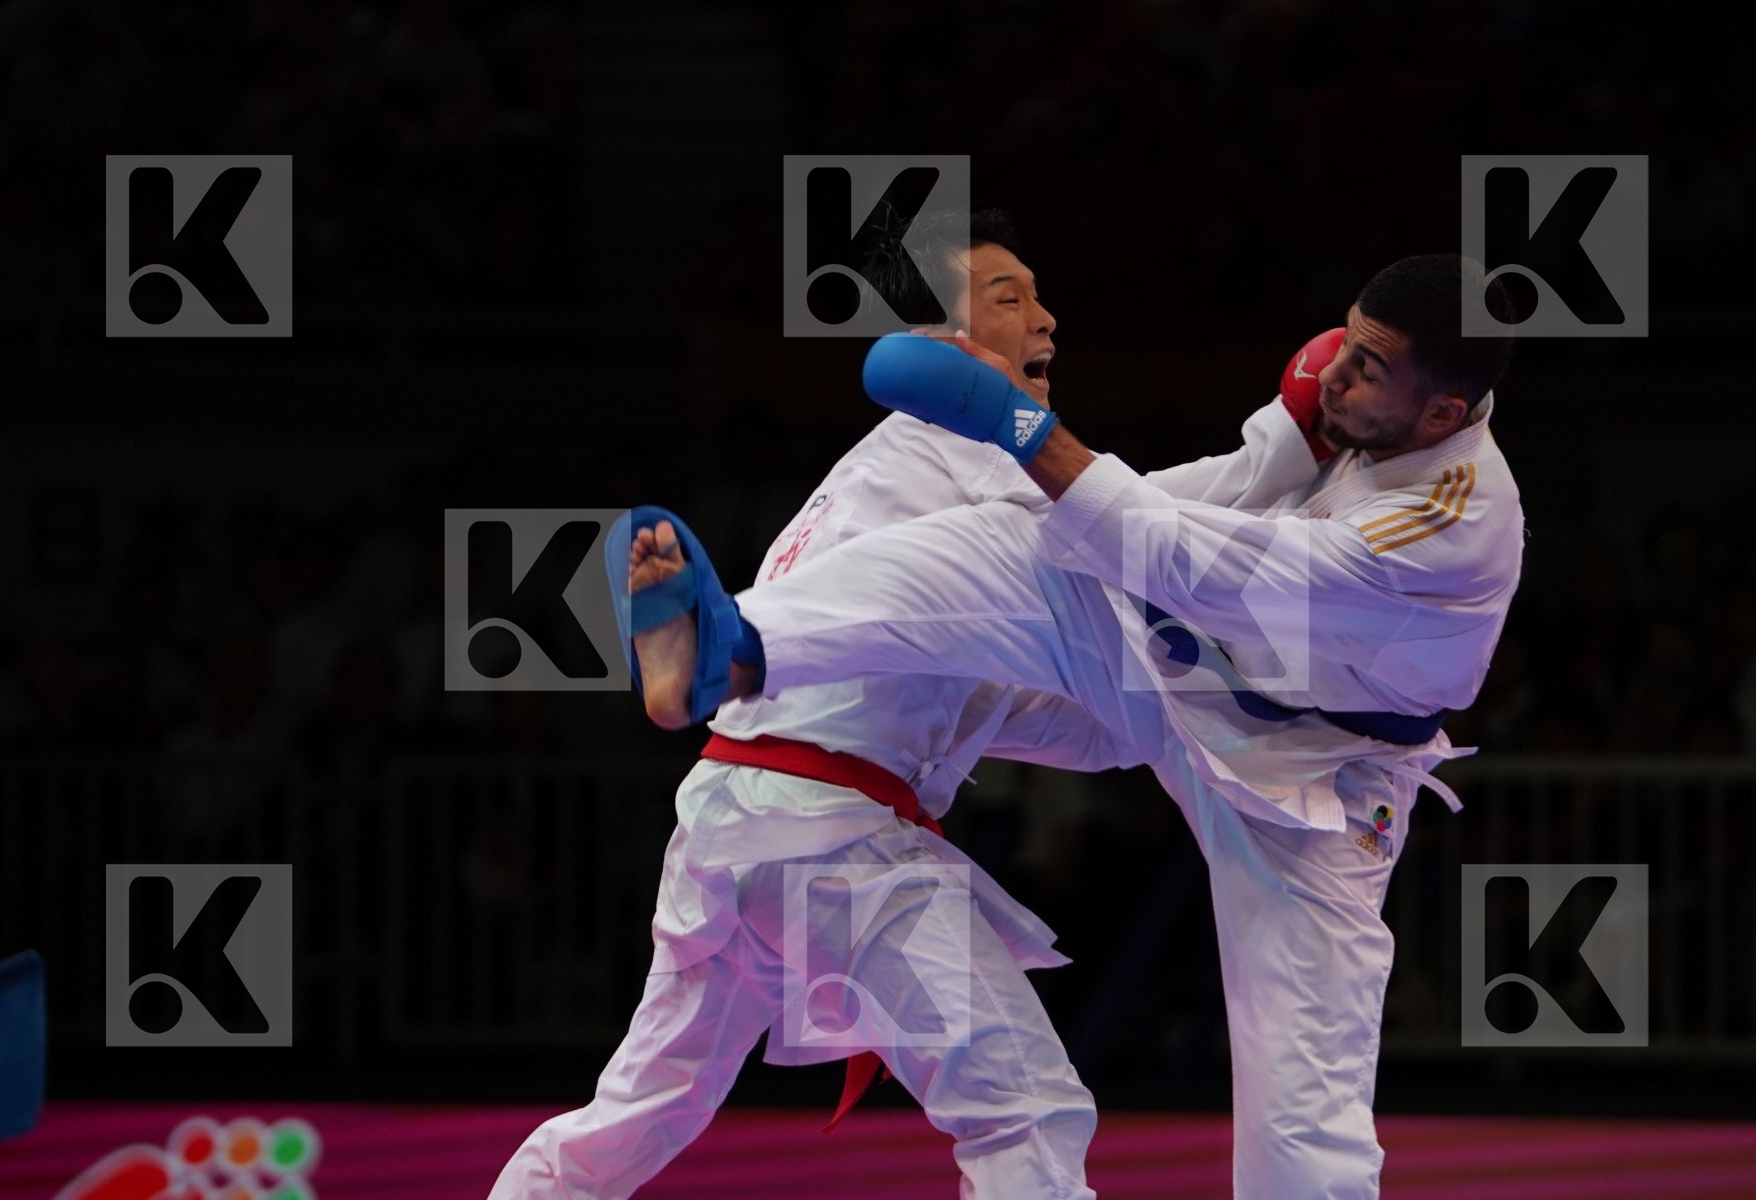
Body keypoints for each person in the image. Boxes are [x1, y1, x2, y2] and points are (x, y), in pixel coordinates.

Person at [625, 254, 1523, 1198]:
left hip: (1321, 784)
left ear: (1441, 417)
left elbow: (1187, 556)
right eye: (1345, 344)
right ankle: (740, 647)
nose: (1335, 373)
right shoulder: (1361, 399)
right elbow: (1219, 492)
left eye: (1368, 370)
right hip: (1188, 673)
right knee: (1026, 546)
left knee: (1303, 1119)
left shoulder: (1442, 530)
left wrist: (1025, 432)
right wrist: (1282, 431)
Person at [492, 209, 1331, 1199]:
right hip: (833, 834)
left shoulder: (896, 490)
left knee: (633, 1117)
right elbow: (1131, 530)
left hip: (730, 816)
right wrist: (1292, 440)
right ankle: (724, 646)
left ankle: (724, 646)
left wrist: (1146, 732)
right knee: (1025, 1111)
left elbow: (1026, 701)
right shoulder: (965, 440)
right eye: (1010, 301)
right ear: (945, 349)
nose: (1047, 320)